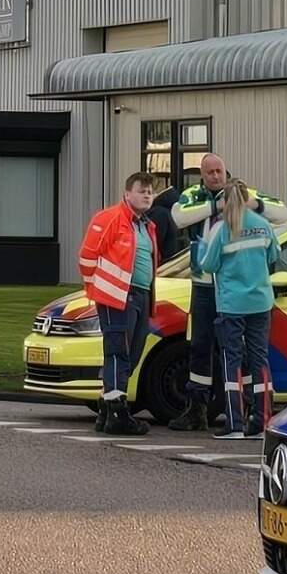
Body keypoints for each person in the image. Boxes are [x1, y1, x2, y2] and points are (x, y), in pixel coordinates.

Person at [194, 183, 283, 440]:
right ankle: (262, 421)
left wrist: (202, 249)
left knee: (231, 361)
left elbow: (208, 265)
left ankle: (234, 423)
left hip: (232, 304)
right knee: (260, 360)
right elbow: (273, 255)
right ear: (248, 199)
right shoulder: (262, 224)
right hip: (260, 301)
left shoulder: (222, 229)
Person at [76, 171, 160, 435]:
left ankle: (107, 405)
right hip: (117, 296)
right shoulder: (111, 218)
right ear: (127, 194)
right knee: (118, 352)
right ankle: (116, 412)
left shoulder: (145, 225)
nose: (147, 195)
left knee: (132, 353)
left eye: (150, 191)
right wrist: (99, 288)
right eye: (141, 190)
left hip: (140, 295)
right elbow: (87, 256)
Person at [164, 152, 234, 425]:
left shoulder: (240, 192)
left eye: (219, 171)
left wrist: (247, 204)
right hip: (203, 285)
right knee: (200, 346)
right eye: (210, 172)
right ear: (202, 175)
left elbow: (279, 212)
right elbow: (179, 217)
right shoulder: (193, 194)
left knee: (235, 348)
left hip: (232, 285)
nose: (216, 176)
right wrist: (216, 207)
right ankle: (197, 408)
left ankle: (241, 408)